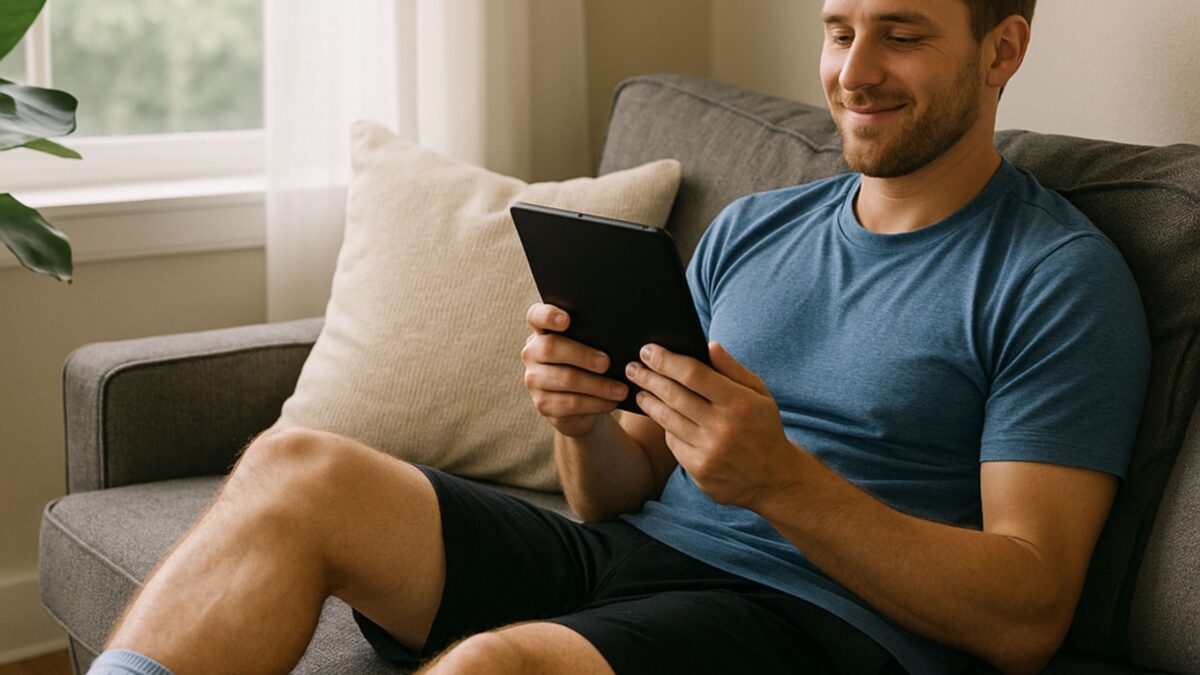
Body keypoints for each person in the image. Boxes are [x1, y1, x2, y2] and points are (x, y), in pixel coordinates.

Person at [88, 0, 1151, 674]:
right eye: (838, 29)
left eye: (902, 32)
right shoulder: (754, 227)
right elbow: (612, 491)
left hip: (815, 626)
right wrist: (581, 418)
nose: (855, 69)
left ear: (1002, 47)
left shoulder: (1054, 278)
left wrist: (779, 480)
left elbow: (1028, 615)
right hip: (627, 555)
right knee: (296, 469)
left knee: (494, 669)